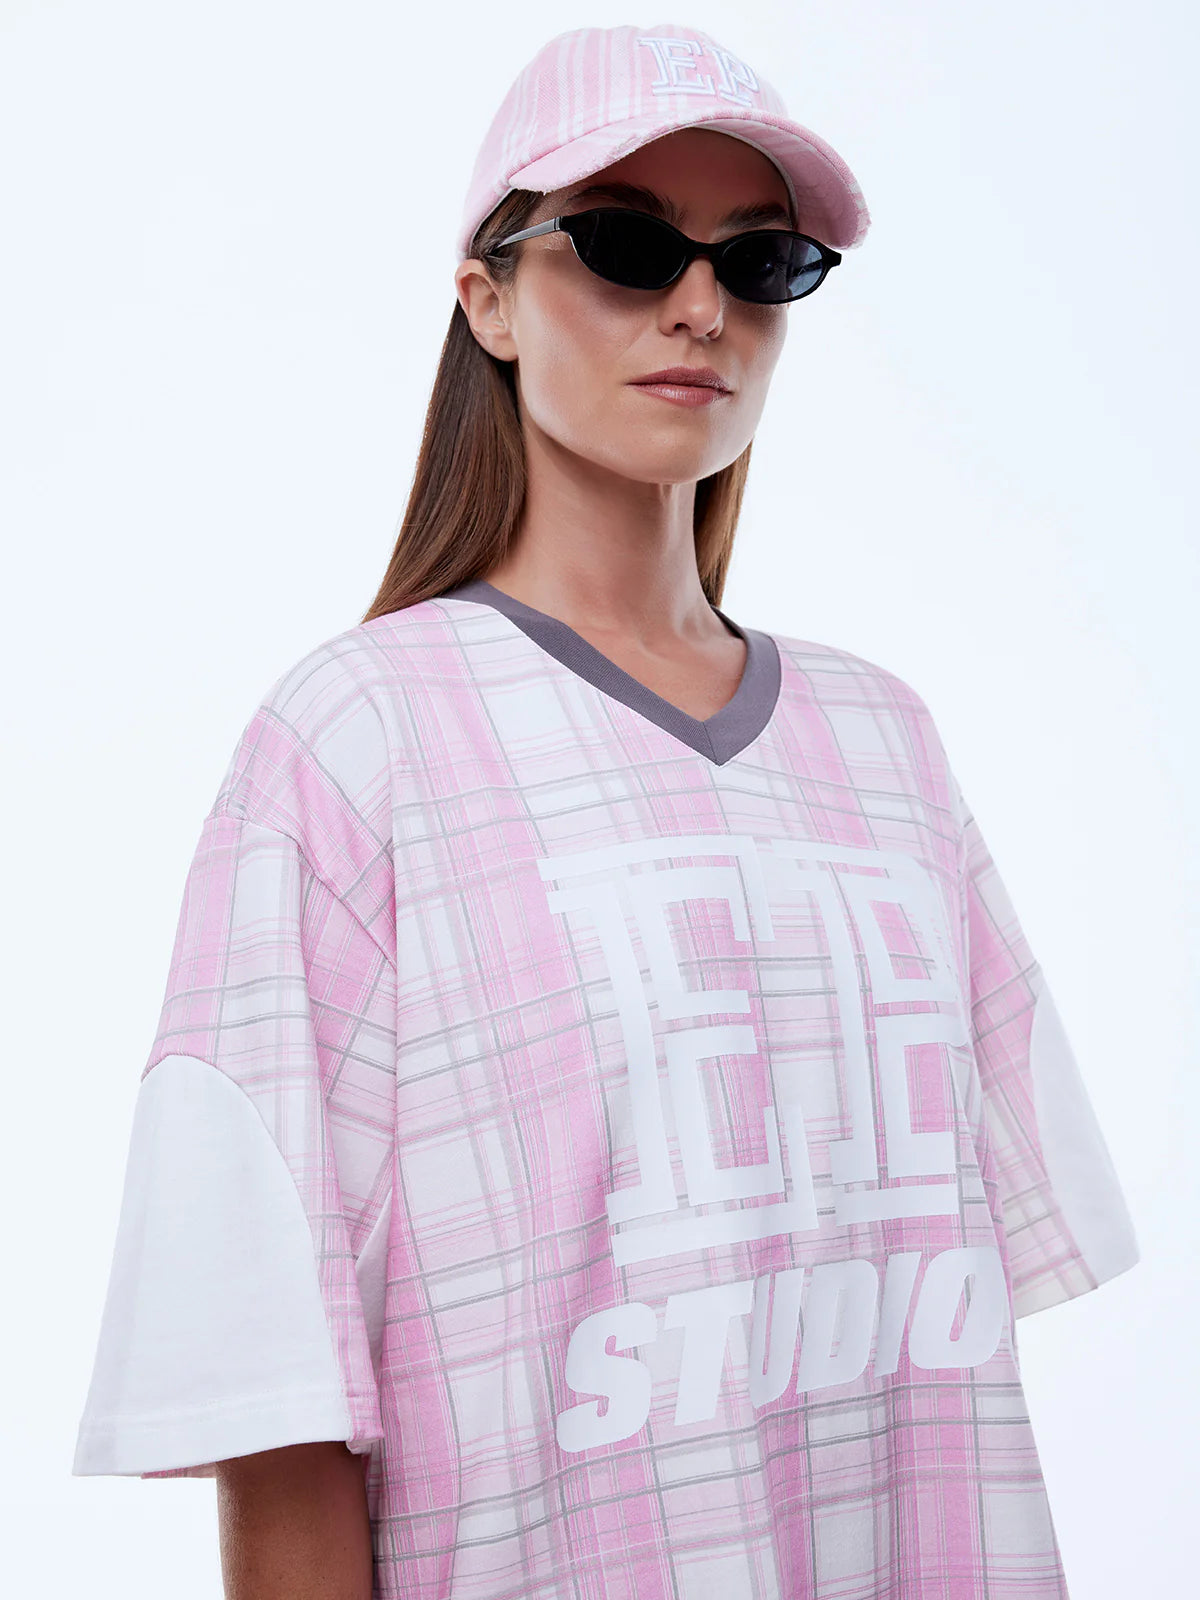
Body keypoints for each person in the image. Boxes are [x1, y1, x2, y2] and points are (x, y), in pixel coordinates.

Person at [71, 21, 1140, 1600]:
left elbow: (941, 1289)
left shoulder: (885, 744)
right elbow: (271, 1383)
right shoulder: (357, 742)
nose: (702, 307)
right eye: (628, 246)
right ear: (488, 299)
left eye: (760, 261)